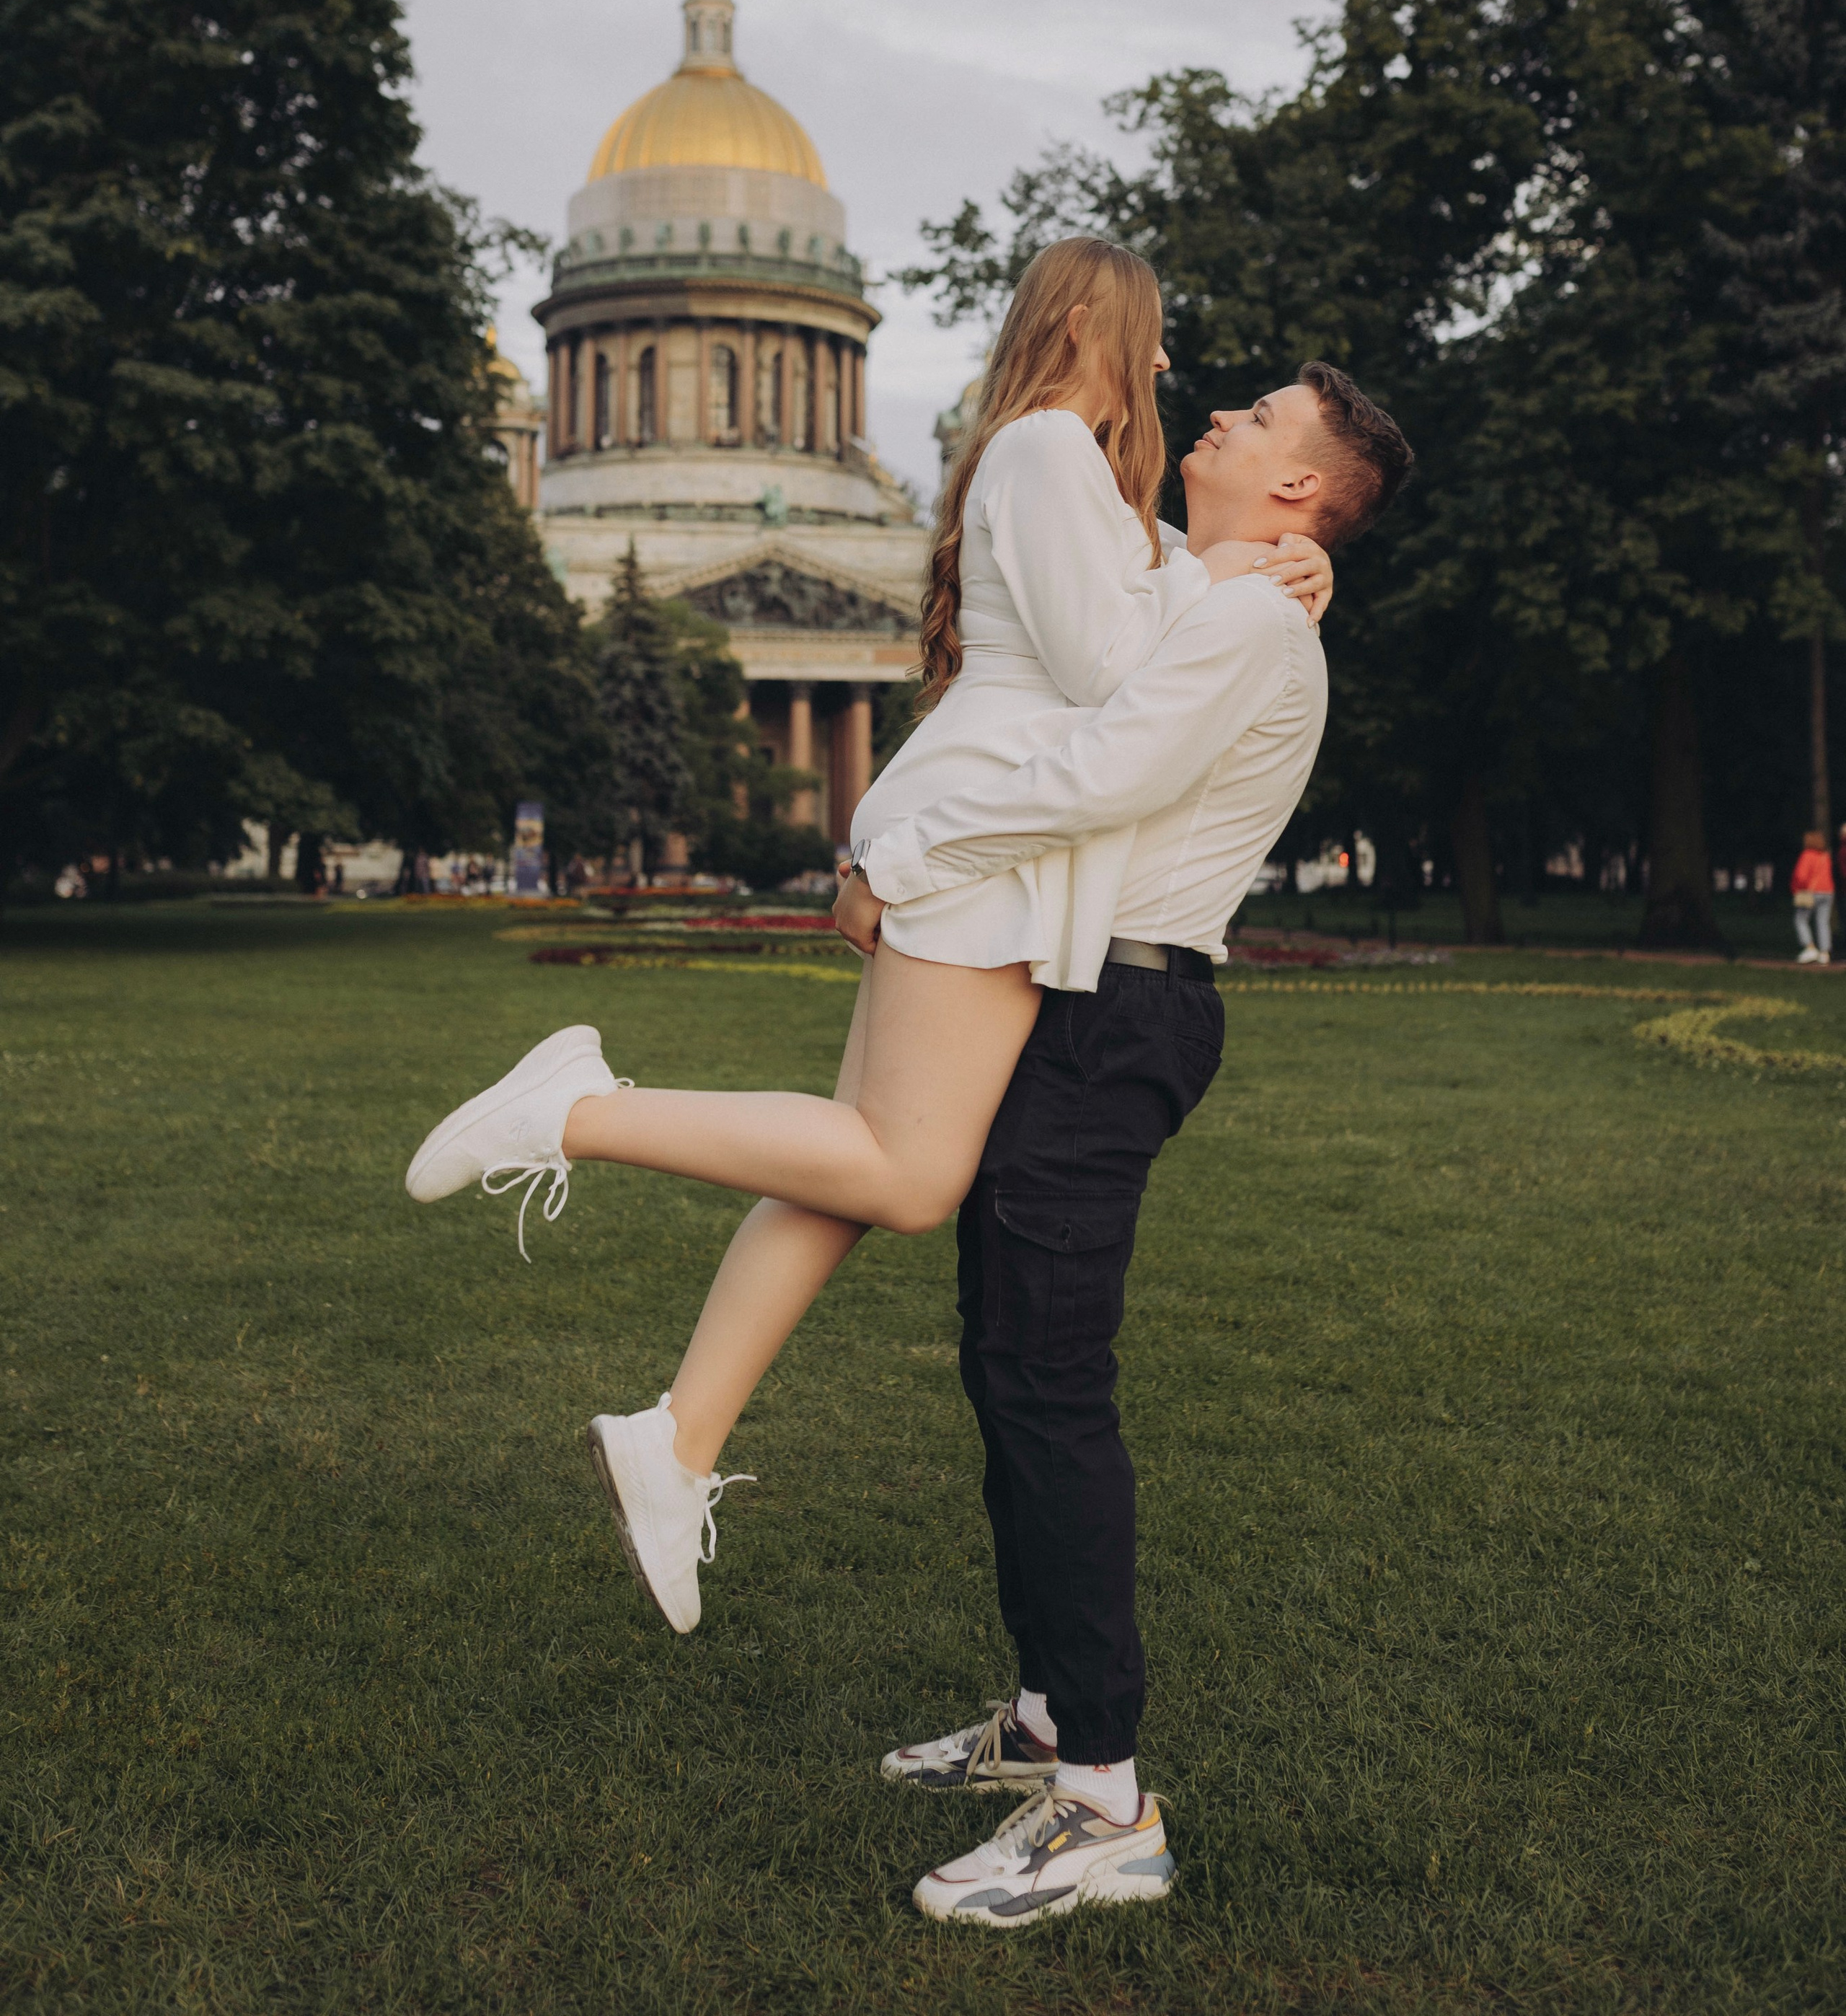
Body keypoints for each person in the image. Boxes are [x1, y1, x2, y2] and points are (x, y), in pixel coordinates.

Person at [406, 239, 1331, 1605]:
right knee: (903, 1175)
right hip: (994, 847)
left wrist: (1247, 567)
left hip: (999, 844)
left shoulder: (1071, 474)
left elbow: (1122, 626)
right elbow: (1119, 675)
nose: (1172, 373)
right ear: (1092, 322)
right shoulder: (1053, 452)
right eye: (1154, 339)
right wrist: (1247, 581)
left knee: (843, 1170)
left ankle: (677, 1438)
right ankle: (578, 1108)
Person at [847, 363, 1412, 1927]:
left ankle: (1103, 1803)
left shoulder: (1243, 617)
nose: (1216, 417)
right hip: (1095, 1009)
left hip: (1121, 1020)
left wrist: (892, 851)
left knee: (1046, 1380)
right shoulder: (1221, 590)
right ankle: (1043, 1717)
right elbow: (1108, 607)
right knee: (1005, 1361)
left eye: (1258, 422)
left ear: (1302, 491)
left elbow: (1105, 771)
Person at [1792, 829, 1833, 964]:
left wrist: (1796, 888)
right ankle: (1825, 953)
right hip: (1828, 891)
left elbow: (1801, 876)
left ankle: (1810, 948)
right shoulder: (1825, 855)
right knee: (1823, 921)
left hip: (1812, 891)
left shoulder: (1807, 855)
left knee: (1801, 919)